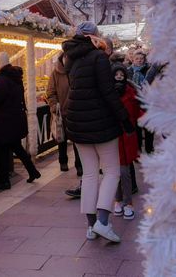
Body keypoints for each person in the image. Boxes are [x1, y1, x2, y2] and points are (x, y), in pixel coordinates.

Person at [63, 21, 134, 243]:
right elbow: (108, 92)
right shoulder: (99, 57)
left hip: (77, 122)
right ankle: (103, 222)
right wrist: (125, 120)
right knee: (112, 171)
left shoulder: (70, 58)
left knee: (90, 174)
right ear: (95, 36)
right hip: (101, 123)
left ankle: (91, 226)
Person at [0, 52, 41, 190]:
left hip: (4, 121)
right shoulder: (14, 77)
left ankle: (4, 181)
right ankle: (33, 171)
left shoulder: (1, 80)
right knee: (17, 148)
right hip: (14, 119)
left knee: (2, 151)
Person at [111, 63, 141, 220]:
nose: (119, 78)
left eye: (121, 76)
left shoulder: (131, 92)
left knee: (125, 172)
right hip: (113, 137)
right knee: (115, 173)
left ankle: (128, 202)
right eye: (116, 75)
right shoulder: (108, 93)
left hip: (127, 137)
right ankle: (118, 200)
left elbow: (138, 111)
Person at [46, 53, 82, 175]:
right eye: (65, 58)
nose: (67, 60)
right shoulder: (55, 73)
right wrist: (54, 105)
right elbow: (50, 92)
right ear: (62, 59)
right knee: (62, 139)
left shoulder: (77, 71)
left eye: (69, 57)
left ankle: (79, 165)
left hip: (76, 111)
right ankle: (63, 161)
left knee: (78, 141)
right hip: (61, 112)